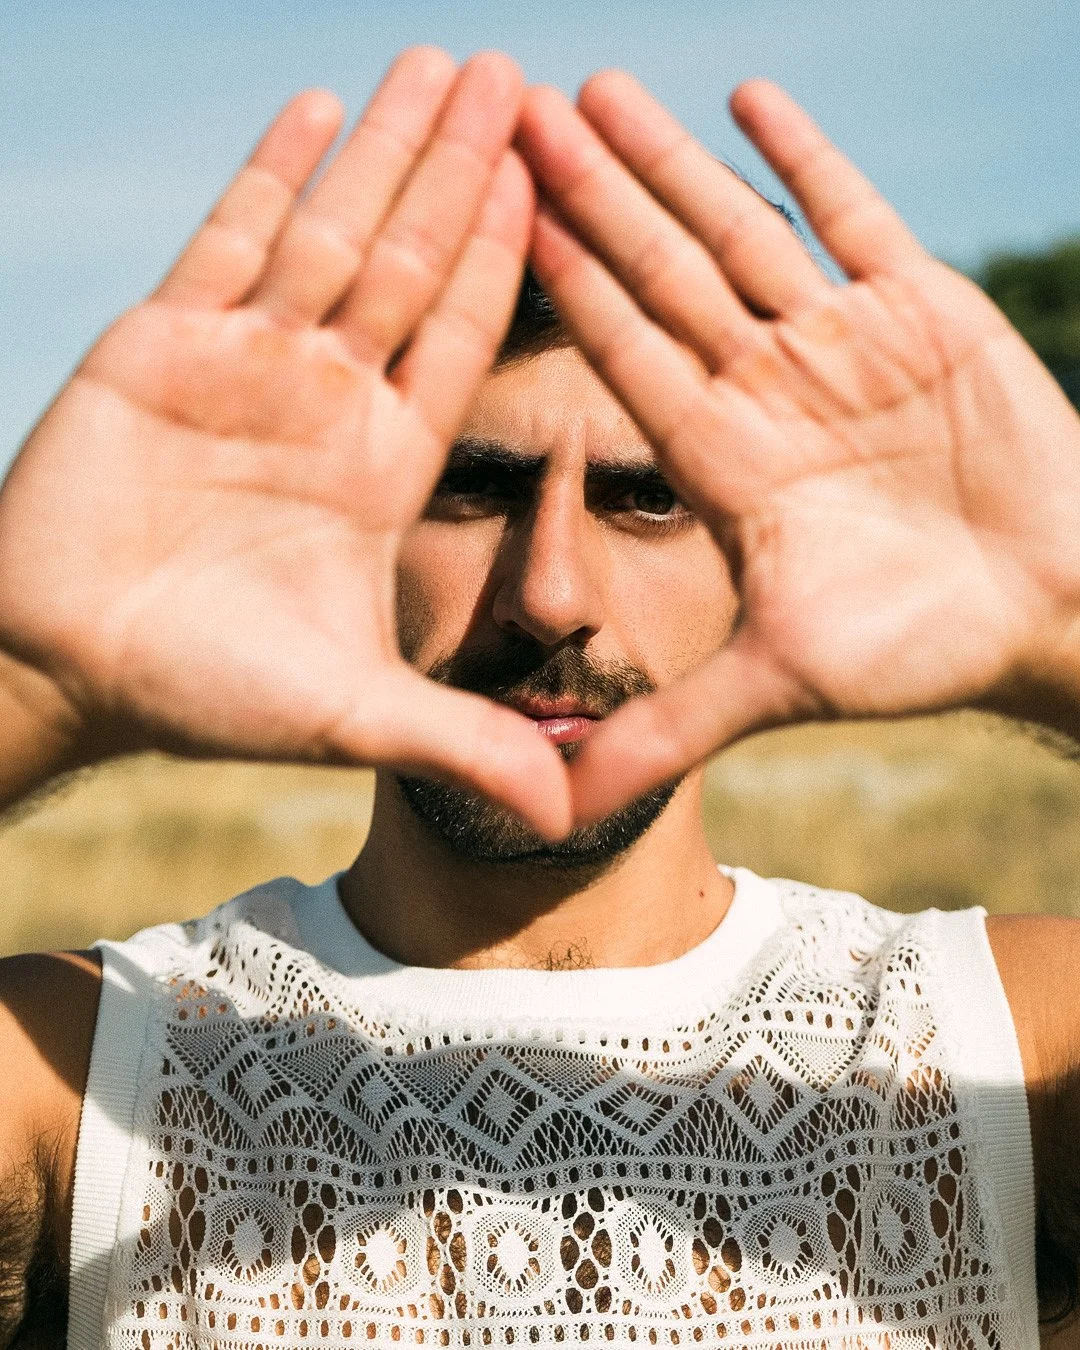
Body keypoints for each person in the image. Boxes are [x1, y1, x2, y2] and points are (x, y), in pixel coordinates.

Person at [0, 44, 1077, 1350]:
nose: (549, 589)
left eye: (649, 495)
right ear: (349, 530)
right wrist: (27, 682)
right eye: (471, 487)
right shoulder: (74, 1073)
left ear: (758, 554)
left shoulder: (1003, 1046)